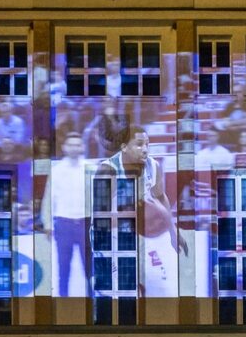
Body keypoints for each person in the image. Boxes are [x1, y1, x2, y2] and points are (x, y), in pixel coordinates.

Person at [95, 126, 187, 256]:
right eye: (139, 145)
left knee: (156, 274)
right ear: (124, 147)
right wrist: (136, 216)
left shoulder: (153, 166)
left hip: (139, 234)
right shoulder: (108, 170)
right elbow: (99, 217)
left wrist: (173, 232)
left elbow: (160, 197)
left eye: (147, 144)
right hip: (109, 236)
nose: (145, 149)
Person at [43, 132, 89, 297]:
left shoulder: (90, 169)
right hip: (64, 225)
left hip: (86, 224)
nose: (75, 148)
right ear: (64, 148)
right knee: (64, 270)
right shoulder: (56, 171)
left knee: (90, 270)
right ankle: (63, 304)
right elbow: (48, 199)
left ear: (82, 147)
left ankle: (94, 308)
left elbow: (100, 199)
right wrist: (47, 224)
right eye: (71, 145)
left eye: (78, 145)